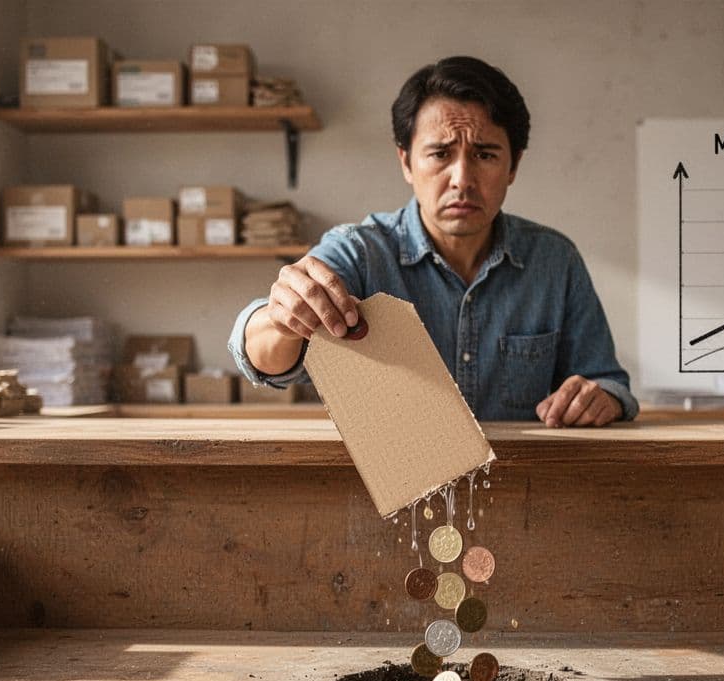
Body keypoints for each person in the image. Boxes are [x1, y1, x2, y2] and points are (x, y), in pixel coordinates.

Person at [229, 56, 637, 426]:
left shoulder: (555, 260)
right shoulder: (360, 253)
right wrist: (281, 320)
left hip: (522, 481)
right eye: (441, 154)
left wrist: (601, 399)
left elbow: (607, 381)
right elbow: (261, 356)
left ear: (514, 165)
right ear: (406, 161)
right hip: (394, 481)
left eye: (485, 155)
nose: (462, 179)